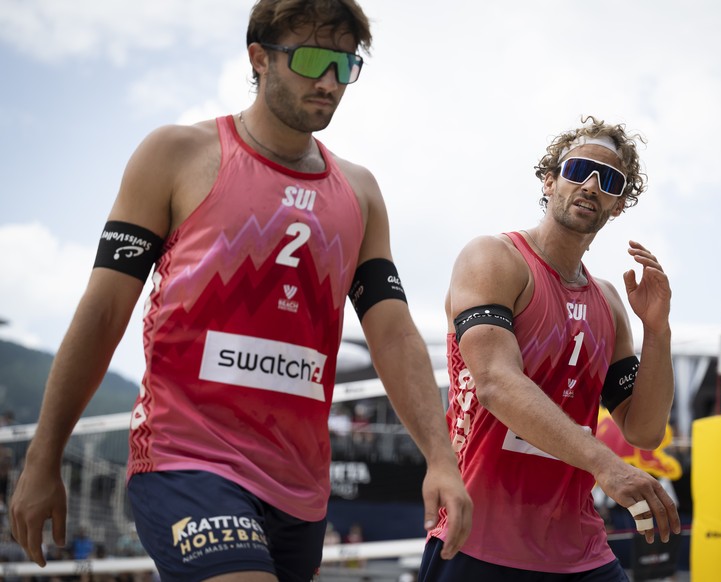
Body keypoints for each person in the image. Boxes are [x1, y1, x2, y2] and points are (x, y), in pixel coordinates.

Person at [8, 1, 472, 580]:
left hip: (299, 487)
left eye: (344, 65)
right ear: (259, 58)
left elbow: (396, 335)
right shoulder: (177, 154)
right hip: (185, 459)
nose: (329, 81)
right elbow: (103, 312)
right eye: (311, 59)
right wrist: (43, 455)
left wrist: (440, 459)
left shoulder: (361, 192)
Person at [420, 116, 681, 580]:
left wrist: (657, 331)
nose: (592, 185)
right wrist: (607, 465)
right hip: (479, 541)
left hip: (579, 550)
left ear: (618, 205)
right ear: (550, 179)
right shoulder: (495, 258)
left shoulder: (609, 302)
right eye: (579, 169)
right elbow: (496, 385)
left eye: (610, 180)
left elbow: (644, 430)